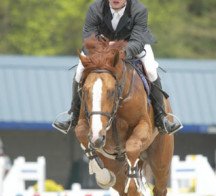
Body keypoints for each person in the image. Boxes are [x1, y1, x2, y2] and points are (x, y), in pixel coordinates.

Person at [53, 0, 181, 135]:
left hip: (132, 46)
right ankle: (73, 115)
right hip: (102, 48)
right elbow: (89, 37)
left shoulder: (139, 10)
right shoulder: (95, 8)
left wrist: (122, 52)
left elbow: (137, 41)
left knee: (150, 69)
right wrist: (105, 51)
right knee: (79, 71)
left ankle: (161, 117)